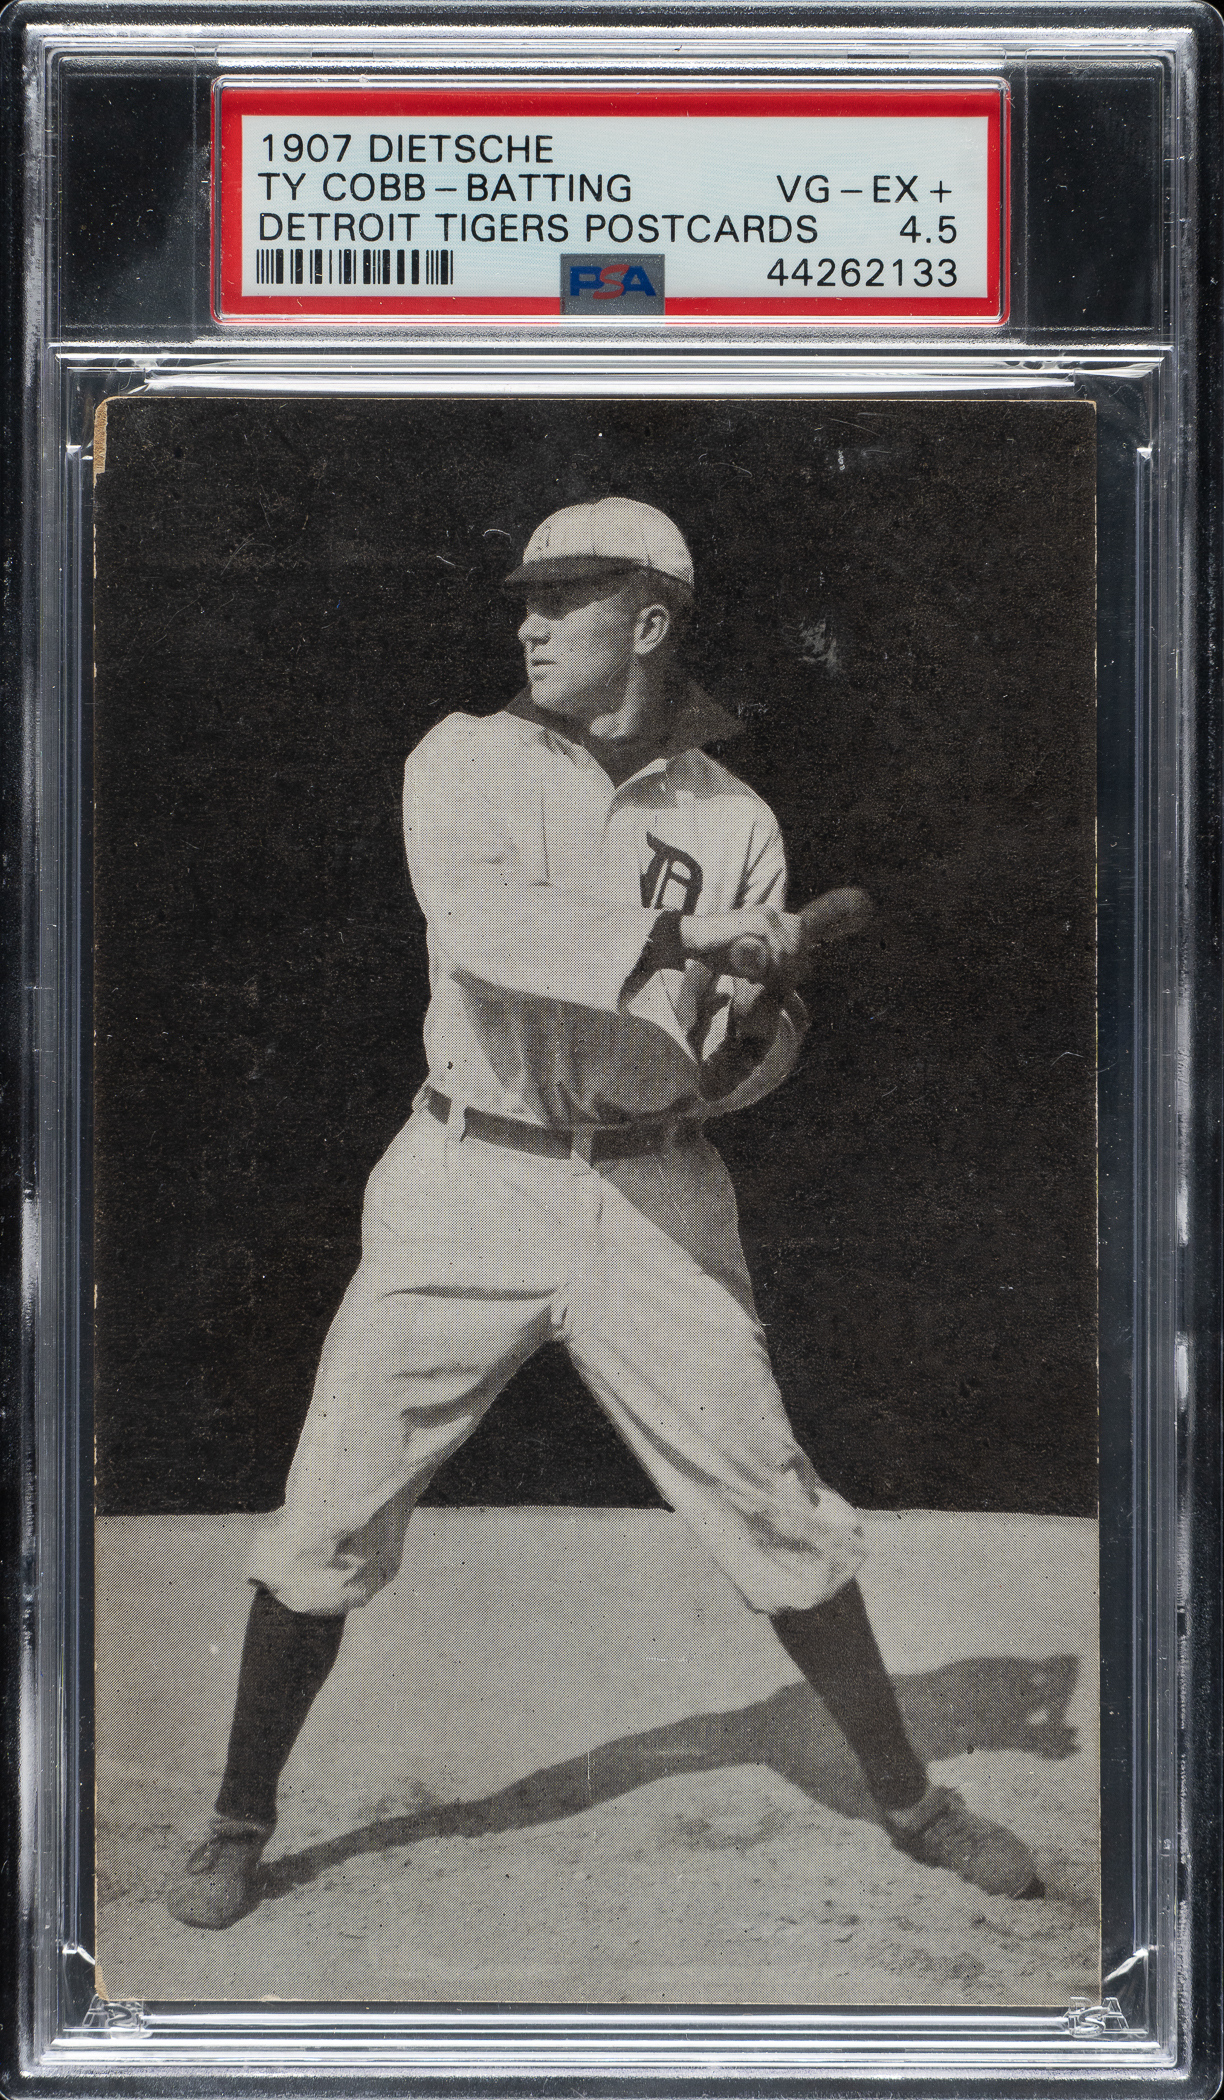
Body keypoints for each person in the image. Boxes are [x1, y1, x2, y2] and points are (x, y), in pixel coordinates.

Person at [168, 496, 1043, 1930]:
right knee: (329, 1507)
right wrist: (689, 936)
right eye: (526, 597)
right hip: (471, 1173)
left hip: (650, 1184)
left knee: (773, 1502)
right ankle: (235, 1819)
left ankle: (909, 1798)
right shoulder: (464, 756)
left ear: (647, 622)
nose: (529, 623)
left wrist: (755, 1016)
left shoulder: (733, 817)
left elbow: (730, 1055)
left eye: (563, 598)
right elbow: (483, 935)